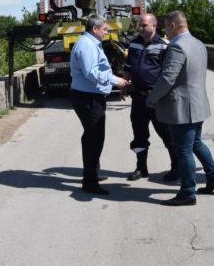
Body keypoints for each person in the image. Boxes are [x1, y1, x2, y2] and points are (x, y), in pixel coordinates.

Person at [146, 11, 214, 206]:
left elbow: (167, 78)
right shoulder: (198, 43)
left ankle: (188, 192)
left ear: (173, 25)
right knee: (196, 143)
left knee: (184, 151)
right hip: (197, 104)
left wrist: (152, 98)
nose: (164, 30)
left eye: (165, 26)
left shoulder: (177, 47)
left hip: (182, 107)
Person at [70, 15, 129, 195]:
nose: (106, 32)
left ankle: (92, 173)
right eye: (104, 29)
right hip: (87, 97)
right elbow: (91, 72)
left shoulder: (90, 43)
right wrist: (115, 80)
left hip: (90, 96)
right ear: (95, 29)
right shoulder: (87, 45)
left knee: (92, 136)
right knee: (94, 138)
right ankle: (90, 182)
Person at [122, 13, 178, 182]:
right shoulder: (134, 44)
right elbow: (128, 67)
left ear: (154, 26)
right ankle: (141, 167)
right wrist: (124, 84)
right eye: (139, 25)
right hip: (138, 99)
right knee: (139, 135)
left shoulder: (164, 46)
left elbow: (169, 73)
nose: (140, 28)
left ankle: (176, 167)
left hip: (157, 100)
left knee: (167, 135)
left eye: (144, 25)